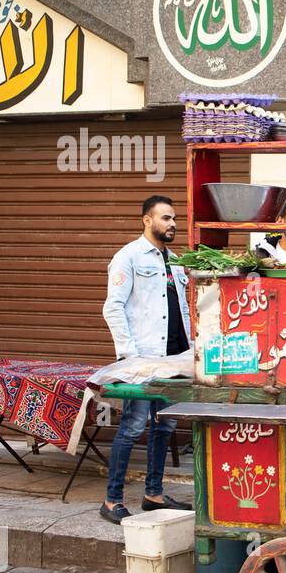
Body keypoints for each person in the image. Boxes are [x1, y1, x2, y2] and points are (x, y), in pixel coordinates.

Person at [100, 195, 194, 523]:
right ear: (146, 220)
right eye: (166, 218)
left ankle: (153, 493)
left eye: (174, 219)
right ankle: (112, 500)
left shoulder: (177, 261)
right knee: (133, 425)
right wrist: (129, 356)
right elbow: (113, 307)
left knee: (164, 424)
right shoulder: (128, 257)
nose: (172, 224)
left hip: (174, 358)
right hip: (144, 358)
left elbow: (182, 308)